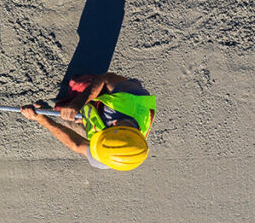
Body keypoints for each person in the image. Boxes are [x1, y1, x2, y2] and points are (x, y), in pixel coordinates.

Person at [21, 73, 155, 171]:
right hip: (111, 95)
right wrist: (77, 103)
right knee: (77, 84)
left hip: (95, 117)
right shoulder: (133, 96)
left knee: (61, 110)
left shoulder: (108, 155)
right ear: (113, 124)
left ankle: (75, 111)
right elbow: (105, 77)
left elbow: (76, 144)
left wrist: (39, 117)